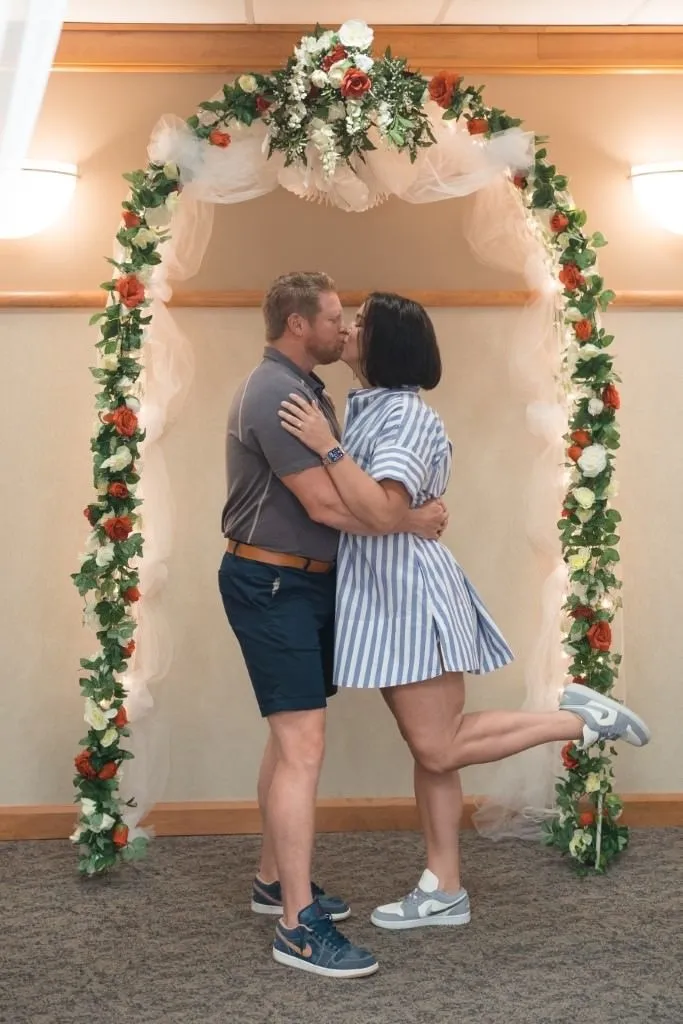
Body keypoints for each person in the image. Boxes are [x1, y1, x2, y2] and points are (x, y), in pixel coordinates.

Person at [279, 290, 651, 932]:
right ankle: (443, 886)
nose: (350, 331)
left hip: (408, 595)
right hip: (386, 592)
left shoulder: (404, 417)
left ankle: (574, 719)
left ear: (388, 344)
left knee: (441, 743)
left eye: (362, 323)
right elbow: (394, 510)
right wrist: (409, 511)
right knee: (432, 752)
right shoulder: (371, 408)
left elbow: (380, 506)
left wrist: (327, 447)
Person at [218, 273, 446, 977]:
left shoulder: (312, 391)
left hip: (305, 584)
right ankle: (296, 926)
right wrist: (412, 519)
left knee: (289, 741)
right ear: (296, 325)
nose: (344, 329)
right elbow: (329, 507)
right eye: (332, 318)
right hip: (273, 581)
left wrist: (392, 514)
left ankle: (269, 879)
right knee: (302, 749)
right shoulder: (278, 394)